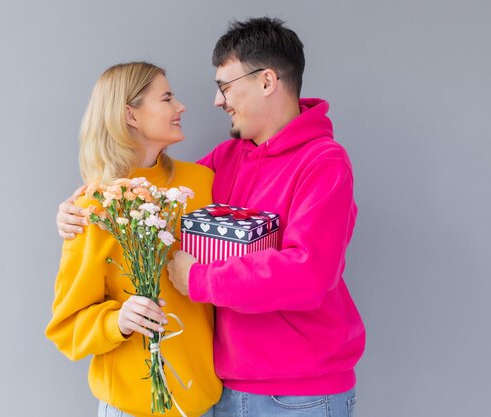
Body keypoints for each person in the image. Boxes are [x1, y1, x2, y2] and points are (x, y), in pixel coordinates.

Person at [57, 18, 365, 417]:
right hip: (222, 392)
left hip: (297, 394)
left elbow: (308, 274)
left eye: (225, 86)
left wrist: (200, 280)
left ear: (267, 81)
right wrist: (81, 206)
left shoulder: (324, 162)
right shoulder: (224, 162)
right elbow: (154, 194)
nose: (217, 101)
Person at [45, 62, 221, 417]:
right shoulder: (95, 208)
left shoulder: (202, 184)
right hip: (133, 408)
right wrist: (118, 321)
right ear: (131, 115)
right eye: (167, 98)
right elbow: (66, 327)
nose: (181, 106)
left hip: (205, 404)